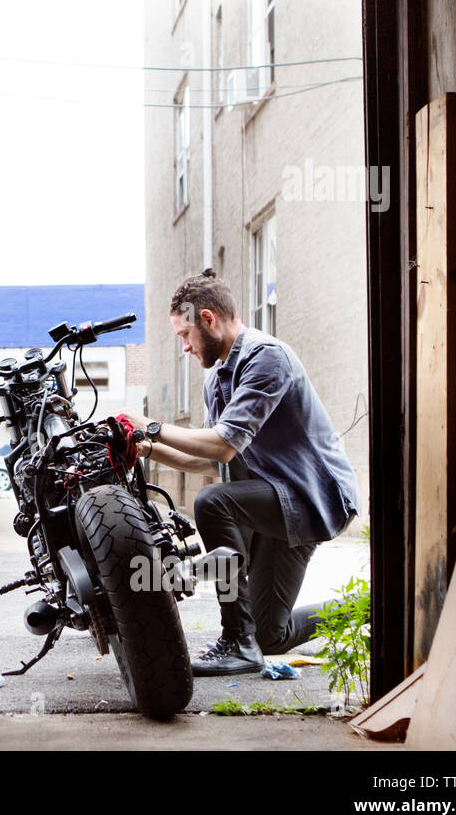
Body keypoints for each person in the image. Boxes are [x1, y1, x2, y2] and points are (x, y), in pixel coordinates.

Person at [117, 269, 361, 675]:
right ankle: (370, 604)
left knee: (212, 503)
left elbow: (222, 443)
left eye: (184, 336)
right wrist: (147, 449)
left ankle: (235, 639)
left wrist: (153, 425)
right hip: (271, 500)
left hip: (312, 497)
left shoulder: (267, 358)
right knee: (271, 636)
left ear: (208, 319)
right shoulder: (216, 378)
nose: (184, 348)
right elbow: (216, 459)